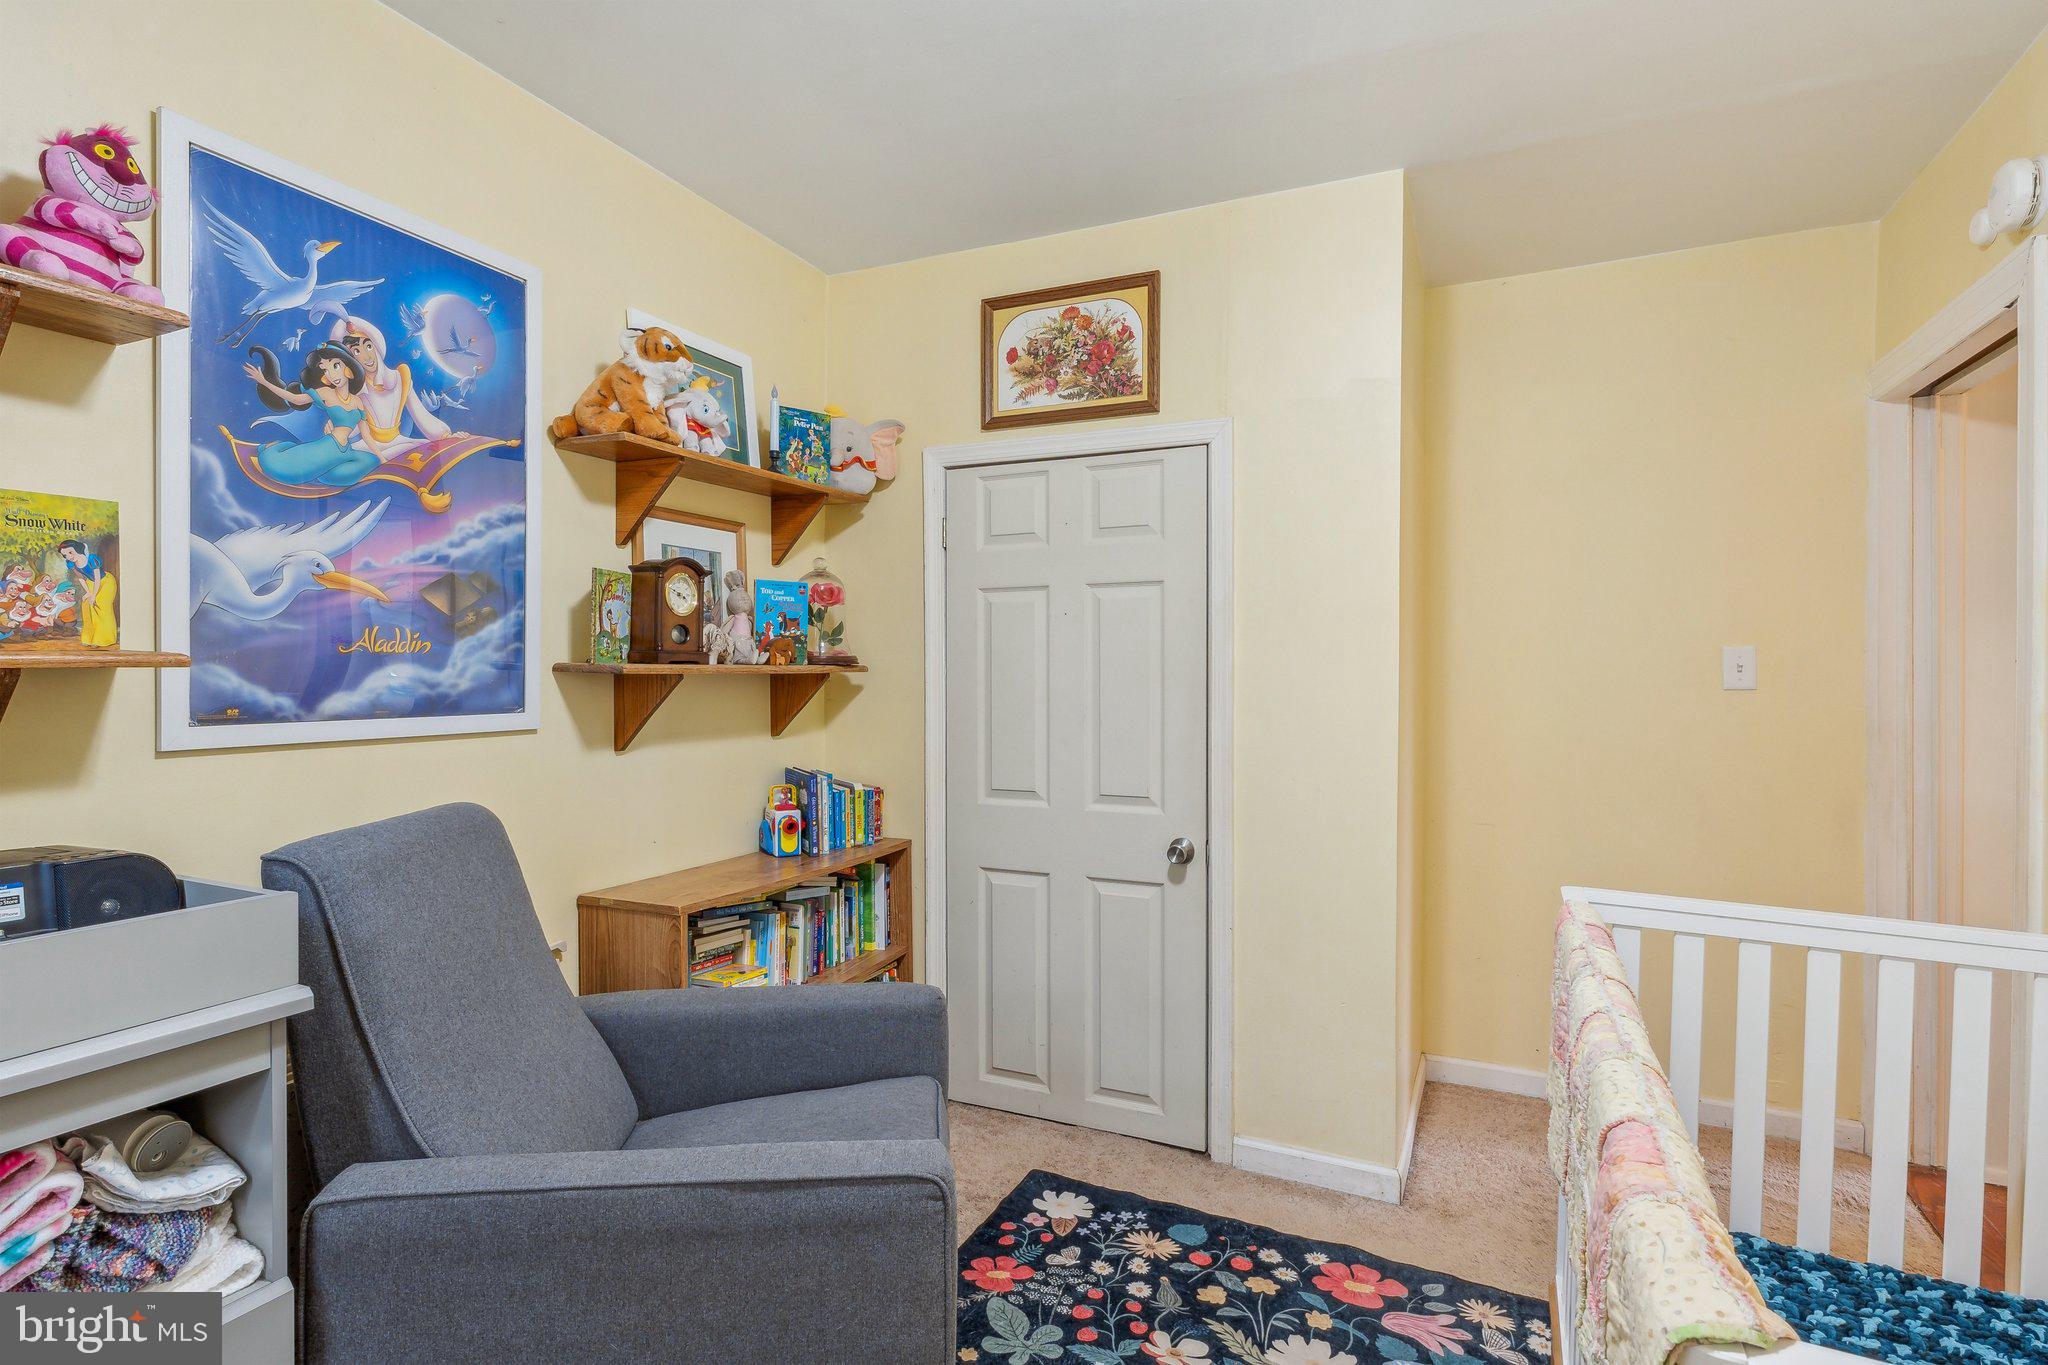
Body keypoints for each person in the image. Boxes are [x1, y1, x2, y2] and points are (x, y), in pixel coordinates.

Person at [242, 343, 375, 487]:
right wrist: (265, 382)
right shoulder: (326, 393)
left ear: (348, 369)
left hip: (345, 450)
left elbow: (365, 434)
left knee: (371, 461)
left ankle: (323, 471)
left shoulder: (358, 402)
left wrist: (381, 457)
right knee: (287, 469)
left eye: (335, 366)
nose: (331, 375)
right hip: (327, 447)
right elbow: (295, 399)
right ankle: (273, 451)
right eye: (326, 370)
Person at [330, 315, 456, 459]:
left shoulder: (400, 377)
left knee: (430, 452)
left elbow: (422, 416)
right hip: (369, 449)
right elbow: (353, 428)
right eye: (357, 351)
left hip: (400, 444)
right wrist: (337, 424)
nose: (367, 357)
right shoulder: (353, 389)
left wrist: (447, 436)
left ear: (376, 347)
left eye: (368, 346)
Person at [56, 539, 116, 648]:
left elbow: (97, 578)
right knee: (86, 606)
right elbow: (81, 578)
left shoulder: (91, 559)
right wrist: (88, 592)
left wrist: (93, 595)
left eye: (70, 553)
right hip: (91, 583)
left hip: (105, 582)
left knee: (100, 606)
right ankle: (89, 637)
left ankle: (104, 638)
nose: (69, 557)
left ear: (77, 549)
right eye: (65, 555)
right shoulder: (71, 563)